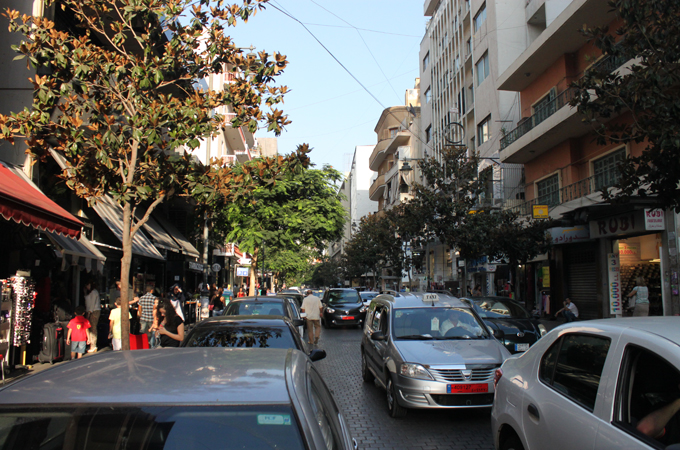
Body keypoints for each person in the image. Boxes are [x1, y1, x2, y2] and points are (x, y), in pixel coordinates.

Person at [83, 279, 100, 353]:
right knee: (90, 328)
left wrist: (89, 313)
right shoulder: (91, 292)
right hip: (91, 311)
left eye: (88, 285)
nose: (87, 287)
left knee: (92, 327)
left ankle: (93, 345)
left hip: (93, 311)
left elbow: (92, 304)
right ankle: (91, 345)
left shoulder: (94, 292)